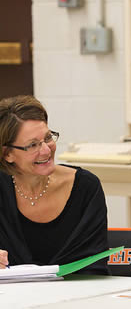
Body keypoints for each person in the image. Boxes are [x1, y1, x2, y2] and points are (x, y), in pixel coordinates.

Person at [0, 95, 109, 275]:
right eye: (32, 145)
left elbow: (95, 266)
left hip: (78, 298)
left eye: (48, 138)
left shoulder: (86, 187)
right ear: (7, 154)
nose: (46, 150)